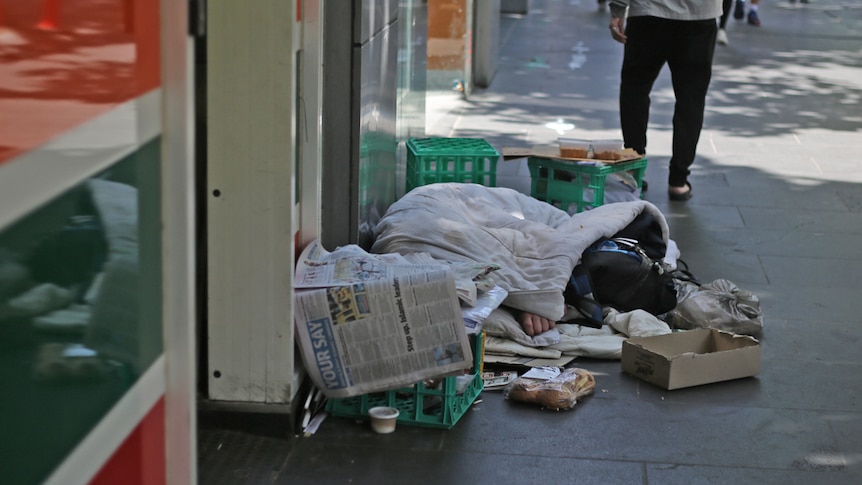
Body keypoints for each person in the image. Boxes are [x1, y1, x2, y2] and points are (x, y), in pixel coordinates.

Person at [608, 0, 722, 201]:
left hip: (649, 13)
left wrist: (618, 8)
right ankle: (678, 180)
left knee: (635, 90)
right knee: (691, 98)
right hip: (700, 15)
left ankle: (634, 170)